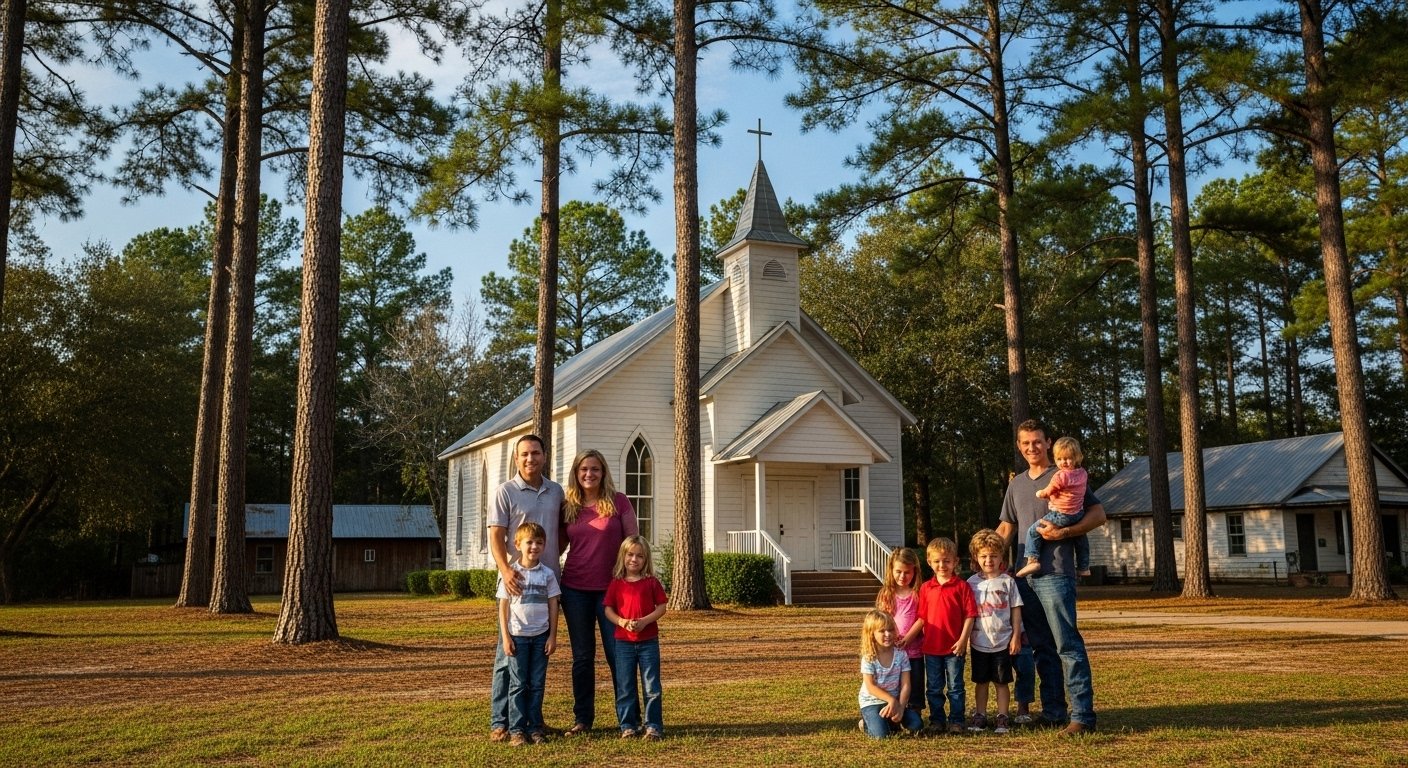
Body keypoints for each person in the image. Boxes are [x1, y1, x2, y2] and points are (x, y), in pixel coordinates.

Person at [997, 419, 1106, 737]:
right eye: (1025, 443)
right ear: (1019, 446)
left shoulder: (1066, 474)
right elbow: (1006, 528)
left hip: (1056, 574)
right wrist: (982, 560)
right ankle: (1054, 712)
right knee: (1042, 648)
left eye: (1037, 442)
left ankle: (1082, 717)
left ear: (1048, 443)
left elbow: (1098, 514)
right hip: (1023, 577)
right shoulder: (1016, 484)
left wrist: (1066, 531)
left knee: (1067, 646)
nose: (1031, 447)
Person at [487, 434, 565, 743]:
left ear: (544, 456)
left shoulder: (556, 491)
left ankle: (534, 721)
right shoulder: (505, 492)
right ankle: (500, 721)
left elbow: (562, 530)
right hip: (515, 583)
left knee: (536, 663)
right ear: (516, 459)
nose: (530, 458)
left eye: (535, 453)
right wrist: (506, 570)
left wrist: (555, 552)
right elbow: (495, 535)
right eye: (524, 454)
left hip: (547, 583)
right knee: (508, 658)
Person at [559, 449, 639, 736]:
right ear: (576, 473)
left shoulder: (618, 502)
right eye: (583, 470)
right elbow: (556, 546)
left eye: (594, 469)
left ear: (603, 472)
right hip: (574, 590)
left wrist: (634, 584)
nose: (589, 474)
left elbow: (633, 545)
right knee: (582, 657)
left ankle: (628, 721)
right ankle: (583, 720)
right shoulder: (568, 505)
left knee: (617, 655)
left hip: (611, 592)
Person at [495, 522, 561, 746]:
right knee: (518, 684)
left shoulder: (547, 575)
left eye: (539, 542)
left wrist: (552, 635)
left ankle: (535, 728)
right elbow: (503, 607)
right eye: (529, 542)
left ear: (545, 546)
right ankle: (517, 730)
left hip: (541, 637)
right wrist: (506, 637)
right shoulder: (512, 574)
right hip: (518, 637)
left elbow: (553, 605)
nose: (534, 546)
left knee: (537, 683)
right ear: (517, 544)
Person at [603, 535, 668, 740]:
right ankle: (628, 725)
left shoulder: (651, 582)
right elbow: (608, 610)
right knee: (625, 686)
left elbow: (662, 607)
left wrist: (645, 621)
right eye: (630, 555)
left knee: (651, 686)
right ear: (623, 556)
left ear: (646, 559)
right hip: (623, 643)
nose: (634, 559)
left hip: (648, 641)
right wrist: (622, 622)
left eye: (639, 556)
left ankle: (653, 726)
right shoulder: (617, 583)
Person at [913, 537, 977, 734]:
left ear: (955, 561)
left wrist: (963, 640)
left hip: (954, 648)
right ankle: (937, 722)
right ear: (929, 562)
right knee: (933, 688)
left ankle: (956, 721)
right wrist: (907, 638)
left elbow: (970, 615)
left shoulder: (962, 587)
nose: (942, 565)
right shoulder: (925, 588)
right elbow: (922, 618)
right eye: (938, 561)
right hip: (931, 648)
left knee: (955, 687)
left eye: (947, 561)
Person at [966, 529, 1023, 734]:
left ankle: (1002, 717)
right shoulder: (971, 583)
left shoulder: (1008, 582)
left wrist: (1016, 635)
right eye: (983, 556)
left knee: (1001, 681)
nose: (989, 560)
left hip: (1002, 641)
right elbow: (966, 614)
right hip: (978, 641)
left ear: (1001, 556)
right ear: (976, 557)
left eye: (993, 555)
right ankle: (980, 715)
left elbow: (1016, 609)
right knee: (981, 681)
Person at [1016, 437, 1091, 578]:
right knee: (1081, 538)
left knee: (1033, 531)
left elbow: (1049, 490)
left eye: (1068, 458)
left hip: (1061, 513)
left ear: (1077, 457)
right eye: (1060, 459)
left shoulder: (1060, 475)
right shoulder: (1082, 473)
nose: (1064, 462)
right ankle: (1084, 567)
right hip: (1078, 513)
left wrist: (1042, 493)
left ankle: (1032, 560)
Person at [857, 609, 924, 739]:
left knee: (917, 726)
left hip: (896, 701)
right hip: (872, 702)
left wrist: (901, 707)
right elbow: (870, 687)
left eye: (891, 630)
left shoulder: (901, 655)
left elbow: (906, 685)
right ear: (871, 634)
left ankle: (890, 721)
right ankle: (866, 723)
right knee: (881, 736)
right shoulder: (869, 657)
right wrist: (891, 700)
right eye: (882, 631)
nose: (887, 634)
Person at [875, 547, 924, 714]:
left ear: (914, 571)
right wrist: (893, 637)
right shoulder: (886, 594)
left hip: (914, 651)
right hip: (892, 652)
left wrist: (908, 638)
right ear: (891, 570)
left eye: (907, 572)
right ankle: (892, 712)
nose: (902, 576)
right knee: (894, 684)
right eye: (898, 572)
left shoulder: (918, 593)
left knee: (915, 683)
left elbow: (923, 618)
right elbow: (882, 620)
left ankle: (914, 714)